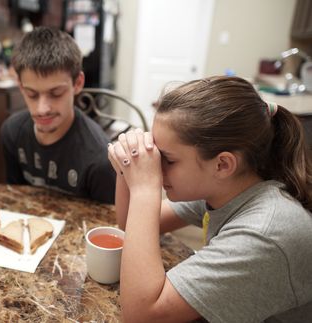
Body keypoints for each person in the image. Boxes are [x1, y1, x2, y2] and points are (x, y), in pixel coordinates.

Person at [108, 76, 312, 322]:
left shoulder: (265, 232)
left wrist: (144, 189)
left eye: (168, 159)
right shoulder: (225, 186)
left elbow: (141, 316)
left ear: (223, 164)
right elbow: (127, 225)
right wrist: (127, 167)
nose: (157, 166)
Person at [0, 26, 115, 204]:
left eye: (56, 93)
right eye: (32, 94)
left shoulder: (100, 159)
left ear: (77, 83)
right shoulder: (12, 132)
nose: (41, 109)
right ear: (21, 87)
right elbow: (17, 201)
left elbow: (104, 224)